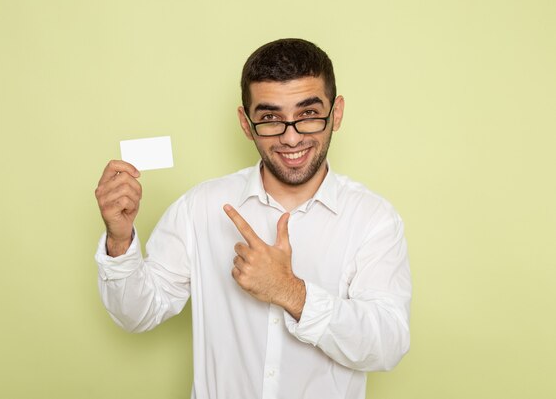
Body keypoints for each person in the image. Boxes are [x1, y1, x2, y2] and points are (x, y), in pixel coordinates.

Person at [94, 38, 411, 399]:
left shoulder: (373, 219)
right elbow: (138, 314)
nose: (291, 138)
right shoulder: (201, 207)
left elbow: (388, 344)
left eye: (308, 114)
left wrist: (290, 292)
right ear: (246, 123)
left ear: (336, 113)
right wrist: (119, 241)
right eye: (270, 118)